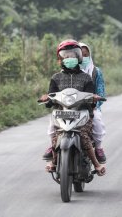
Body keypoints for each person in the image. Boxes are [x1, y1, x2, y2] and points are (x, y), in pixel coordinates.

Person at [39, 39, 106, 176]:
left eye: (73, 55)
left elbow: (91, 98)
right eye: (66, 56)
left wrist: (93, 98)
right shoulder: (56, 78)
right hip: (62, 113)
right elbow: (51, 97)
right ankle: (54, 160)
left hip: (82, 114)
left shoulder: (86, 77)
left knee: (83, 136)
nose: (70, 58)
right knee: (55, 135)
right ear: (60, 59)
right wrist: (47, 98)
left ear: (78, 57)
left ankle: (97, 165)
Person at [78, 42, 107, 164]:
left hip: (91, 106)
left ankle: (99, 148)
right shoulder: (68, 71)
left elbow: (100, 90)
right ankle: (53, 145)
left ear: (89, 55)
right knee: (55, 121)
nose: (83, 58)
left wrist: (96, 104)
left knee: (97, 122)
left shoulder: (96, 71)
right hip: (71, 106)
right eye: (80, 55)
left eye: (86, 55)